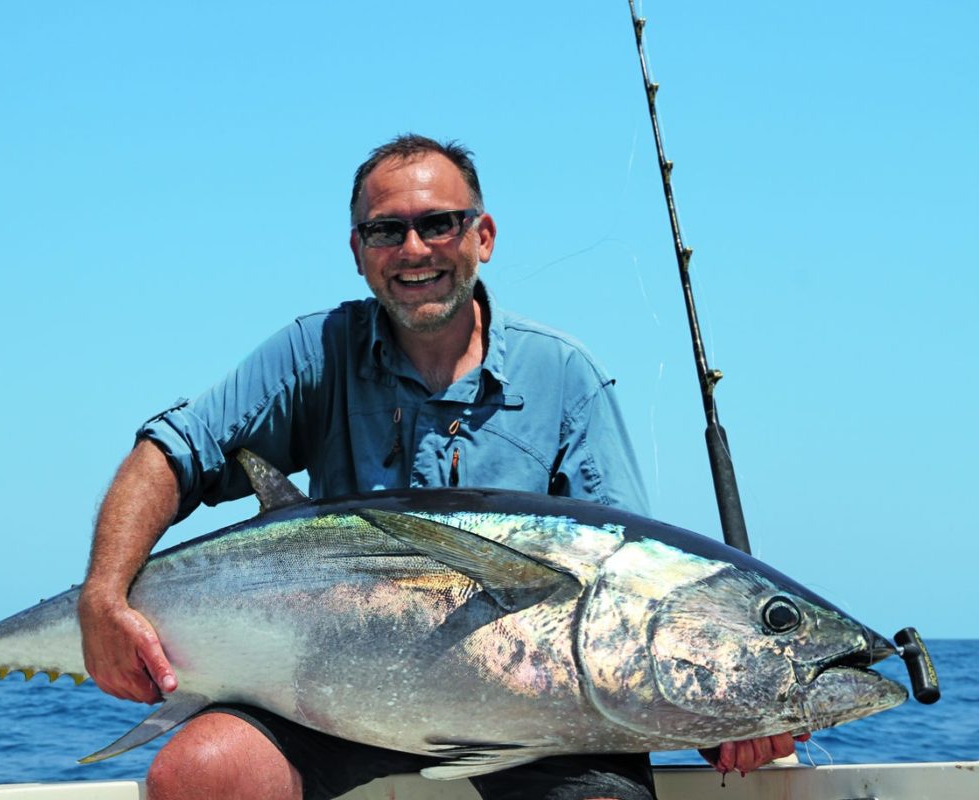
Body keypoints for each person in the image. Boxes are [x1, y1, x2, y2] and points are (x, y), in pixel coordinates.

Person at [78, 134, 800, 800]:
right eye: (387, 230)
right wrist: (104, 598)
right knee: (196, 775)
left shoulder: (565, 378)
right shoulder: (315, 353)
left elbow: (626, 595)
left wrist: (724, 709)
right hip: (328, 700)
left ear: (482, 236)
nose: (414, 248)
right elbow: (169, 455)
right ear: (359, 251)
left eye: (440, 224)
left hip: (533, 722)